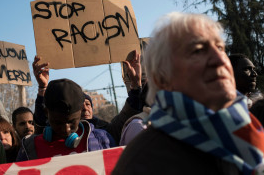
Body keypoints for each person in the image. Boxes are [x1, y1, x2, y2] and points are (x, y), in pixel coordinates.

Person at [112, 12, 264, 175]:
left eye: (220, 47)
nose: (219, 59)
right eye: (198, 51)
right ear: (162, 77)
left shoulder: (248, 127)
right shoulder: (143, 161)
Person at [32, 53, 144, 144]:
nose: (85, 109)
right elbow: (41, 121)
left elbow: (128, 114)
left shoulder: (105, 133)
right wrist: (42, 87)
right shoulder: (45, 138)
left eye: (88, 104)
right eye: (81, 106)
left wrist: (135, 85)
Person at [16, 78, 116, 161]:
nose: (66, 129)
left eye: (72, 122)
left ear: (81, 110)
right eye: (58, 122)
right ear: (46, 113)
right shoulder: (30, 148)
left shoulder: (103, 139)